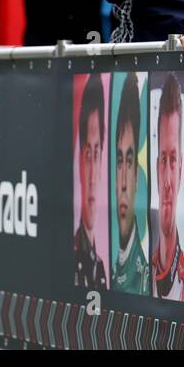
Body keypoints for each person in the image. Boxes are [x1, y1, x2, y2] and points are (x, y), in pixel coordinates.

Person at [152, 73, 184, 301]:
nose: (167, 181)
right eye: (164, 159)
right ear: (157, 166)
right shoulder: (141, 273)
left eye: (174, 159)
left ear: (181, 169)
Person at [111, 73, 150, 294]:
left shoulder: (144, 277)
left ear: (137, 173)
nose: (124, 182)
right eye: (119, 161)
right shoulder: (105, 266)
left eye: (129, 160)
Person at [74, 73, 108, 289]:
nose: (94, 174)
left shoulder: (101, 268)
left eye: (97, 153)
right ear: (79, 161)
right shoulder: (70, 256)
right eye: (88, 154)